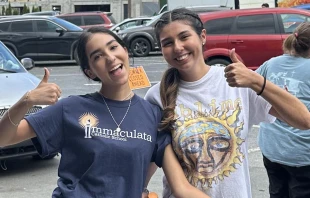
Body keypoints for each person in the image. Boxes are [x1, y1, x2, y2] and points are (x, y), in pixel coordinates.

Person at [0, 27, 210, 198]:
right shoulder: (70, 108)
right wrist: (27, 101)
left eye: (113, 47)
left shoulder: (153, 116)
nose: (110, 58)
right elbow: (4, 138)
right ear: (90, 71)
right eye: (98, 56)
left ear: (125, 51)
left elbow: (181, 187)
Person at [144, 8, 310, 198]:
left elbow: (303, 120)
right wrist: (141, 188)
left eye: (184, 37)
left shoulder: (236, 82)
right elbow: (150, 154)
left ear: (202, 36)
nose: (178, 47)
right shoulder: (156, 96)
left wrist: (256, 81)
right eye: (168, 43)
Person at [256, 22, 310, 198]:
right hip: (303, 154)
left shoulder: (271, 63)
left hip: (272, 148)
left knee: (277, 192)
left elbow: (250, 90)